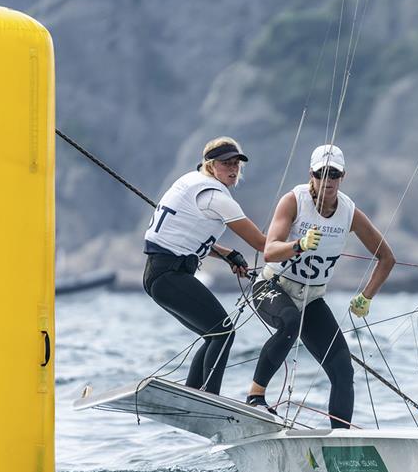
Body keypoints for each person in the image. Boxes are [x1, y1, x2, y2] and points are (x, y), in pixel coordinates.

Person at [248, 144, 395, 428]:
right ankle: (256, 397)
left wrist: (367, 297)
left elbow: (387, 258)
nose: (328, 181)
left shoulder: (349, 213)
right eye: (321, 174)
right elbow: (270, 251)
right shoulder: (293, 201)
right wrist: (298, 245)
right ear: (311, 175)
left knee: (343, 369)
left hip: (312, 297)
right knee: (290, 323)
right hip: (272, 285)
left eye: (334, 175)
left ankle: (341, 438)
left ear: (343, 177)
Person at [143, 136, 265, 395]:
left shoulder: (189, 181)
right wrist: (299, 246)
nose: (233, 169)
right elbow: (262, 243)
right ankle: (210, 397)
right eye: (225, 164)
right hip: (169, 275)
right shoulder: (215, 197)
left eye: (236, 164)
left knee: (213, 335)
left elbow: (183, 237)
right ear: (210, 166)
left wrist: (227, 254)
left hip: (159, 274)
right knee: (223, 333)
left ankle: (194, 396)